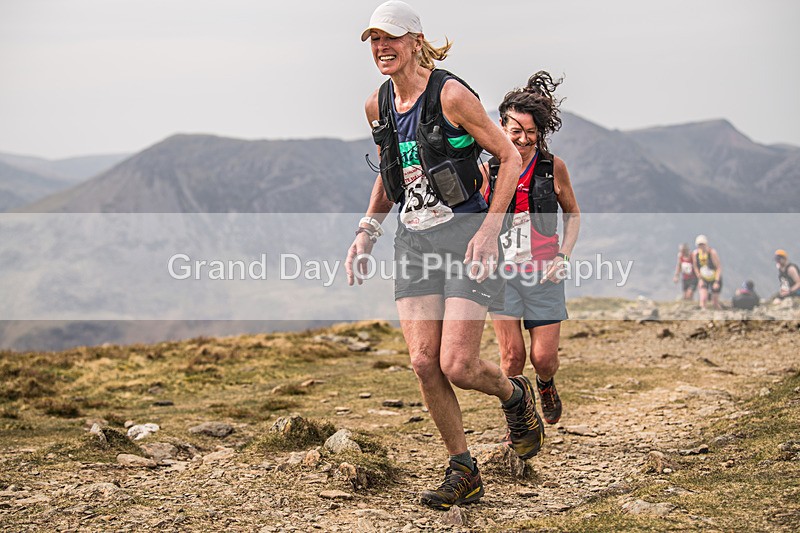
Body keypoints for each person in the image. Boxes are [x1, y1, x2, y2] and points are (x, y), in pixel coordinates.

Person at [345, 1, 542, 511]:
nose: (380, 48)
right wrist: (367, 229)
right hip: (414, 241)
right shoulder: (377, 106)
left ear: (415, 41)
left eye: (389, 38)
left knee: (457, 364)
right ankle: (464, 468)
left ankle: (515, 397)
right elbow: (392, 173)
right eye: (373, 40)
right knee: (422, 362)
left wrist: (488, 230)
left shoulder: (450, 94)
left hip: (466, 236)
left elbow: (509, 156)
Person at [481, 72, 580, 431]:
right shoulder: (487, 169)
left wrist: (563, 256)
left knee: (543, 357)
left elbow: (573, 214)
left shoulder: (554, 168)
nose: (523, 140)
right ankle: (519, 422)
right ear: (501, 126)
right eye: (515, 131)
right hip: (502, 276)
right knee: (511, 357)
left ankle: (546, 384)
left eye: (531, 133)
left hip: (544, 274)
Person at [692, 234, 722, 309]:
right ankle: (703, 314)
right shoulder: (695, 254)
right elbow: (695, 266)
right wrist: (700, 279)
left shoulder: (712, 253)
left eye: (703, 244)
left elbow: (718, 267)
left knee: (714, 302)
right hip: (704, 278)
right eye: (699, 244)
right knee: (703, 299)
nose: (701, 246)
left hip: (714, 278)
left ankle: (719, 313)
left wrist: (716, 281)